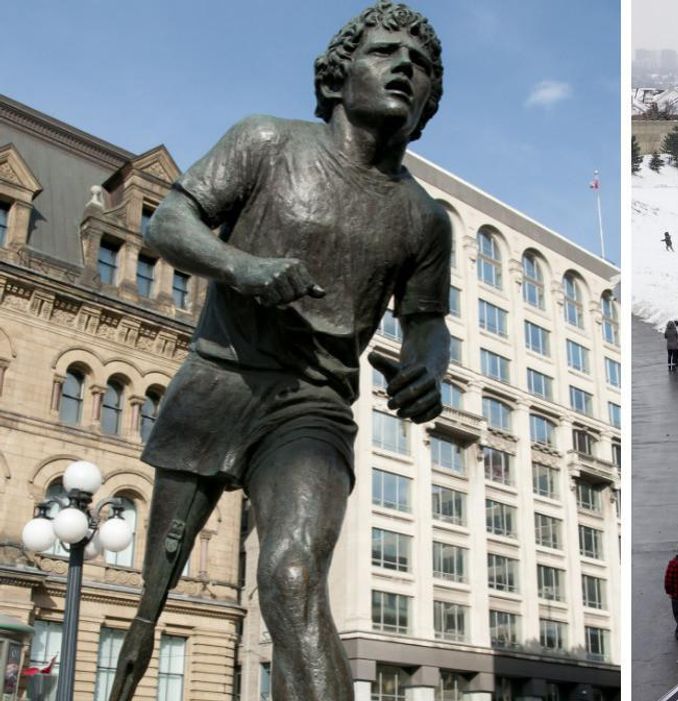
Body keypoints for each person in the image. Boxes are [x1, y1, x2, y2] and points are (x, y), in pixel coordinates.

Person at [107, 5, 452, 698]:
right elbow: (171, 222)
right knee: (150, 599)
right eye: (386, 52)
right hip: (217, 380)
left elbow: (426, 322)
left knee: (291, 574)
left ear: (425, 106)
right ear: (336, 76)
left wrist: (427, 367)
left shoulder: (423, 219)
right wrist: (242, 267)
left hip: (311, 405)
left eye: (421, 68)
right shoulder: (264, 141)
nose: (405, 68)